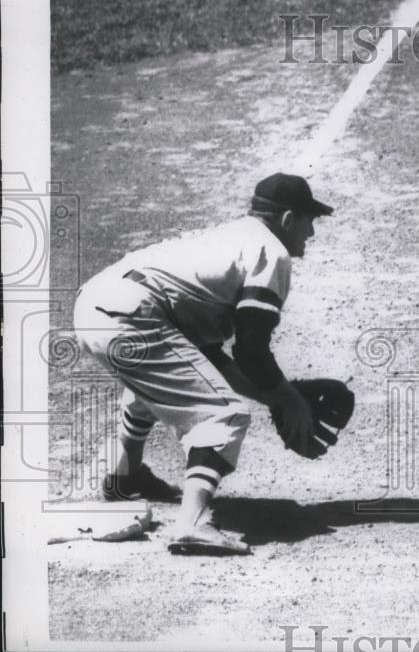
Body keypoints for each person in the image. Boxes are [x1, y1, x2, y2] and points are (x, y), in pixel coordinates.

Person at [73, 173, 332, 555]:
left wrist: (278, 396)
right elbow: (252, 352)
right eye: (310, 220)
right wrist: (289, 400)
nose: (311, 232)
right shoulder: (270, 253)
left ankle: (123, 477)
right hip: (130, 315)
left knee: (170, 378)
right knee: (223, 414)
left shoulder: (228, 238)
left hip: (97, 304)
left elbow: (213, 362)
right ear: (288, 219)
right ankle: (193, 523)